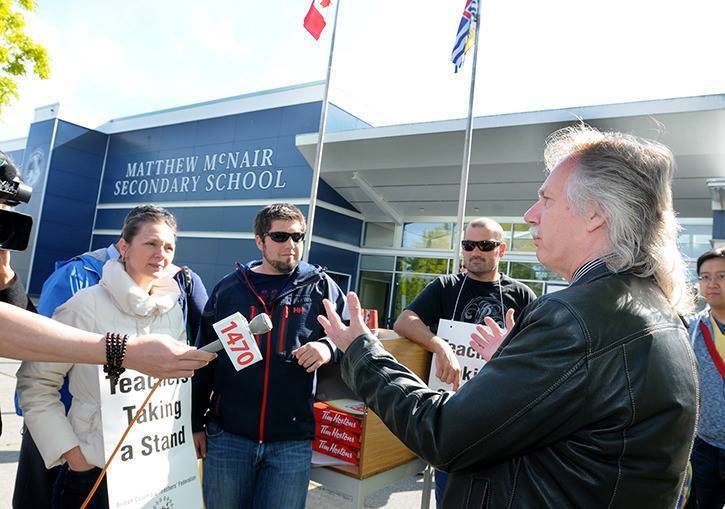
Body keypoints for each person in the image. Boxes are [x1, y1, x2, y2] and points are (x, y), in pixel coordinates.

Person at [318, 124, 698, 508]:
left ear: (595, 214)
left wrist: (362, 352)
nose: (530, 215)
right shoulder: (655, 307)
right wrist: (515, 361)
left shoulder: (574, 319)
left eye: (546, 199)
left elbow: (444, 434)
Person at [13, 204, 209, 509]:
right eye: (151, 243)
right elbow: (35, 384)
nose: (162, 253)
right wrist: (75, 457)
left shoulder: (173, 307)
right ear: (123, 247)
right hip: (94, 474)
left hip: (155, 473)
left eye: (169, 246)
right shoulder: (84, 305)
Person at [192, 203, 347, 509]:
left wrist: (328, 347)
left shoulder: (320, 286)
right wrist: (196, 422)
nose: (291, 245)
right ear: (259, 240)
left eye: (298, 237)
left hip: (291, 443)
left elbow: (353, 337)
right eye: (280, 237)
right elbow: (203, 360)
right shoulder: (228, 290)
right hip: (228, 439)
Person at [393, 216, 535, 504]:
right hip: (456, 418)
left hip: (503, 421)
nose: (475, 252)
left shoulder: (521, 294)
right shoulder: (446, 286)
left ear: (501, 250)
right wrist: (439, 345)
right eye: (469, 245)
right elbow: (405, 321)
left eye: (485, 245)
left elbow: (538, 348)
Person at [687, 248, 725, 509]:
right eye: (704, 276)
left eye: (722, 275)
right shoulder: (690, 329)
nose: (712, 283)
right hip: (704, 446)